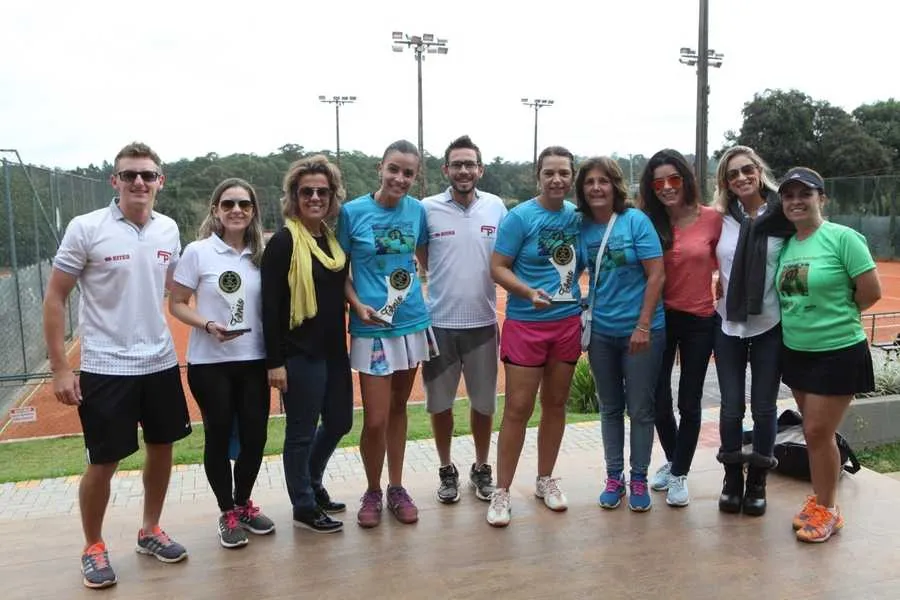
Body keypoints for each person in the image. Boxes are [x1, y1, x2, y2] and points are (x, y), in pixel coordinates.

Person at [42, 142, 190, 589]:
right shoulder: (86, 227)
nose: (139, 182)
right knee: (104, 462)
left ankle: (150, 530)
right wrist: (60, 368)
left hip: (160, 362)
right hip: (106, 367)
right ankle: (93, 545)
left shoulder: (168, 229)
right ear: (116, 181)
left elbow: (174, 294)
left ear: (160, 181)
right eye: (130, 175)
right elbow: (55, 297)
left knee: (163, 448)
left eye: (147, 175)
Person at [776, 167, 880, 543]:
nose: (796, 201)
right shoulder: (787, 245)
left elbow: (870, 292)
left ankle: (830, 510)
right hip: (797, 352)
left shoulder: (842, 238)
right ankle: (821, 499)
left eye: (805, 194)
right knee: (817, 433)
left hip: (838, 351)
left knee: (818, 431)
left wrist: (834, 316)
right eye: (789, 195)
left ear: (822, 198)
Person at [169, 178, 275, 548]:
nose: (236, 210)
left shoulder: (263, 254)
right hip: (210, 362)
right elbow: (178, 303)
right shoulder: (198, 252)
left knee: (255, 437)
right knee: (217, 435)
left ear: (253, 211)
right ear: (215, 210)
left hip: (254, 360)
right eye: (228, 203)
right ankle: (226, 510)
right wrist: (208, 325)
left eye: (244, 204)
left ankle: (244, 502)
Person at [338, 140, 433, 528]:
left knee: (398, 409)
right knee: (375, 418)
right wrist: (357, 305)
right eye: (394, 169)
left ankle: (396, 487)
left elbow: (424, 259)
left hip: (410, 324)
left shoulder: (418, 212)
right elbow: (339, 272)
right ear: (381, 168)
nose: (400, 178)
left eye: (408, 173)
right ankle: (372, 489)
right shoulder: (352, 212)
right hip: (372, 328)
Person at [487, 146, 582, 527]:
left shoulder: (578, 217)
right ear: (538, 177)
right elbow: (497, 267)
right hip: (527, 324)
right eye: (549, 173)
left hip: (566, 323)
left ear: (571, 176)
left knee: (556, 405)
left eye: (564, 173)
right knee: (517, 409)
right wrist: (527, 292)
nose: (557, 179)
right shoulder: (520, 217)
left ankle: (545, 480)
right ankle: (502, 490)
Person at [261, 156, 352, 534]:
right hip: (300, 353)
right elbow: (269, 306)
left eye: (322, 192)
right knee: (300, 432)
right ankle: (303, 503)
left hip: (334, 349)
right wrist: (275, 362)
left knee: (339, 422)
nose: (315, 197)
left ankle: (312, 482)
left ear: (332, 197)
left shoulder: (330, 241)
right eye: (306, 192)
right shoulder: (283, 242)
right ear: (294, 198)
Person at [420, 136, 507, 504]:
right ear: (446, 170)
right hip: (439, 325)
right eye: (457, 164)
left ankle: (481, 467)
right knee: (440, 404)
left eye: (470, 164)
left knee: (484, 404)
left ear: (480, 169)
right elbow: (424, 255)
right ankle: (446, 469)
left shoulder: (496, 206)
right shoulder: (427, 208)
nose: (464, 171)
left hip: (483, 324)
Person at [579, 157, 666, 513]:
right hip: (601, 332)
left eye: (603, 181)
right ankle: (614, 477)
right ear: (582, 190)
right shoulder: (581, 226)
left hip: (641, 332)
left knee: (641, 409)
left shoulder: (635, 221)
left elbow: (657, 275)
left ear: (615, 186)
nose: (597, 188)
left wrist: (643, 325)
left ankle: (640, 476)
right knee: (610, 408)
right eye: (589, 182)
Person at [714, 145, 794, 516]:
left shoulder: (783, 216)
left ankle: (758, 480)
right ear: (726, 183)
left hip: (769, 325)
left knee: (764, 409)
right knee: (730, 408)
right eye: (733, 174)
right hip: (728, 324)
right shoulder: (721, 218)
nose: (741, 178)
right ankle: (732, 478)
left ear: (759, 171)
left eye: (747, 170)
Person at [639, 149, 722, 507]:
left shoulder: (713, 219)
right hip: (659, 319)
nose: (667, 187)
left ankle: (680, 474)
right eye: (658, 182)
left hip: (700, 320)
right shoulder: (646, 221)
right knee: (657, 400)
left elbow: (731, 258)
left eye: (674, 179)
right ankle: (675, 463)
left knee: (689, 401)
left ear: (686, 180)